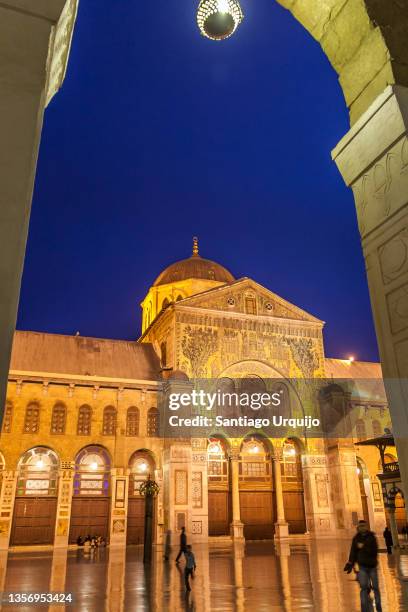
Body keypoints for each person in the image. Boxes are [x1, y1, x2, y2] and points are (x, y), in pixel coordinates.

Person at [344, 520, 382, 612]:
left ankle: (378, 606)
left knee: (376, 587)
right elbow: (353, 552)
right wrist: (350, 563)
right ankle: (364, 607)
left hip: (372, 566)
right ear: (358, 527)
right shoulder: (356, 538)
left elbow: (374, 550)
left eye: (363, 526)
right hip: (362, 566)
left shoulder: (371, 537)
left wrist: (363, 546)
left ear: (366, 526)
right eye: (360, 526)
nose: (362, 527)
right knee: (364, 587)